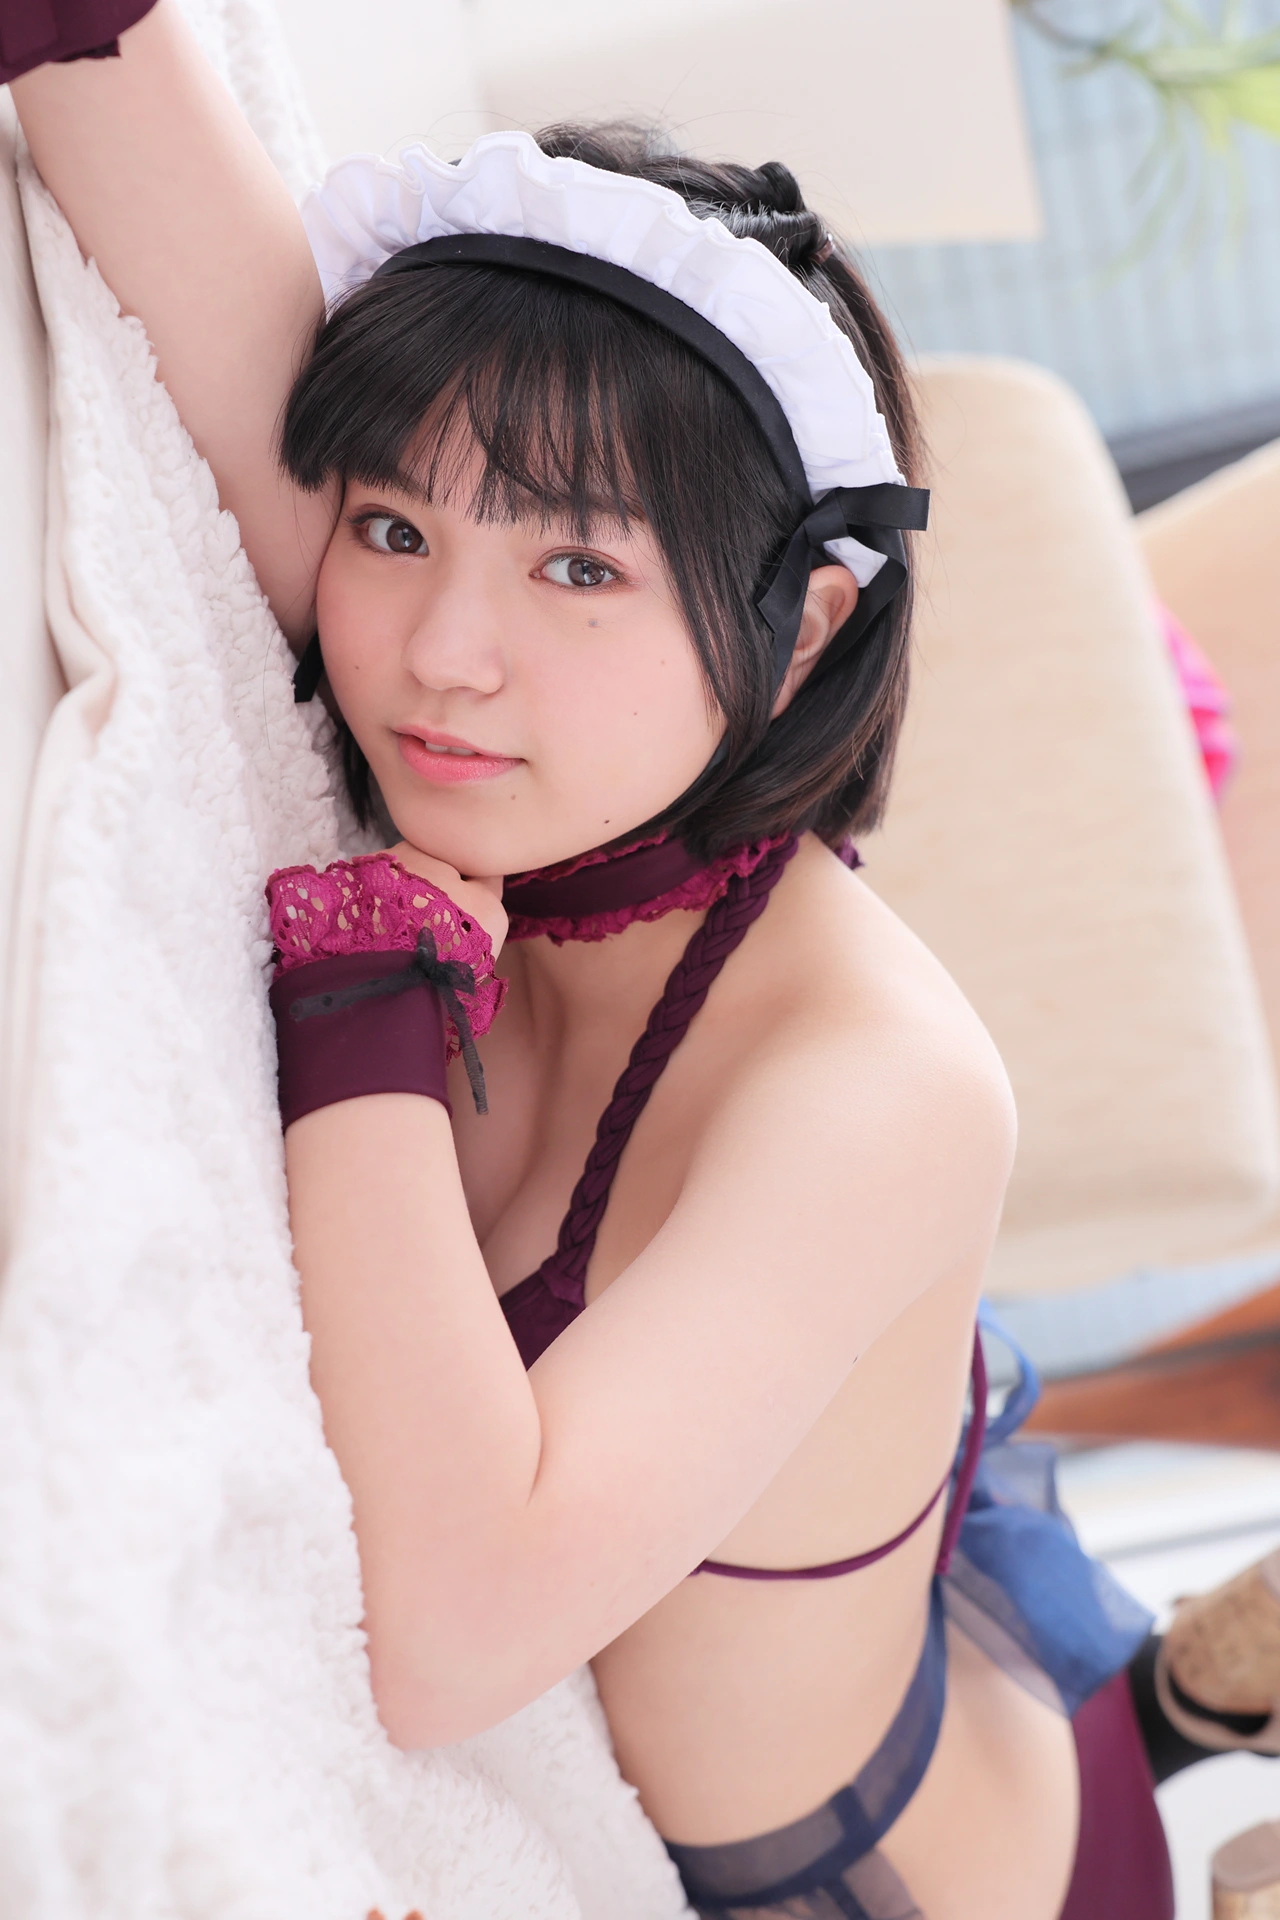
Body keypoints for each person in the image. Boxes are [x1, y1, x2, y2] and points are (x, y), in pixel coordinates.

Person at [12, 6, 1260, 1914]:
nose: (442, 654)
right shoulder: (487, 716)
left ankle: (1156, 1730)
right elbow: (111, 96)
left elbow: (450, 1641)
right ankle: (1172, 1695)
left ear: (806, 624)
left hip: (905, 1873)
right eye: (394, 526)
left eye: (580, 569)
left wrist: (365, 1003)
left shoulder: (886, 1083)